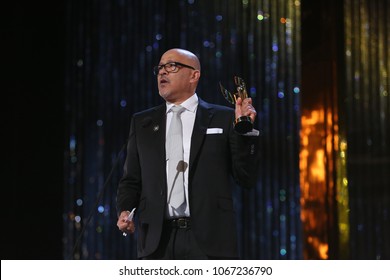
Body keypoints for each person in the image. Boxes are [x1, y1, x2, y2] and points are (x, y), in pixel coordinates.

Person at [116, 48, 259, 259]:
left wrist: (245, 132)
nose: (162, 72)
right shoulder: (143, 122)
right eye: (160, 68)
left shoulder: (223, 118)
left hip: (210, 240)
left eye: (172, 66)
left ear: (194, 75)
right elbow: (131, 180)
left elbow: (246, 177)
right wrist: (124, 211)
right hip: (157, 241)